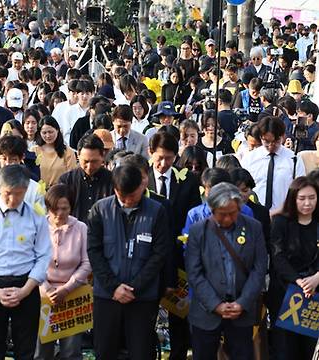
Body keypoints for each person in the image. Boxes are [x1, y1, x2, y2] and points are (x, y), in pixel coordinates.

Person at [87, 164, 170, 360]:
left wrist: (134, 288)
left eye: (132, 196)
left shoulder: (157, 211)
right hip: (107, 296)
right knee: (105, 350)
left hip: (142, 297)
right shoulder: (100, 209)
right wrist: (114, 287)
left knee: (141, 352)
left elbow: (159, 254)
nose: (127, 201)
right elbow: (94, 251)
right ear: (115, 189)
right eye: (122, 196)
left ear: (142, 186)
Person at [0, 164, 51, 360]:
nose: (13, 200)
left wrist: (25, 290)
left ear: (26, 191)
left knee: (26, 348)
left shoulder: (37, 216)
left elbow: (44, 256)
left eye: (19, 194)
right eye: (8, 194)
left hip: (27, 285)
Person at [185, 183, 267, 360]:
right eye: (223, 214)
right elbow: (194, 273)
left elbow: (259, 269)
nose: (229, 218)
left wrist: (243, 302)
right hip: (205, 313)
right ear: (212, 209)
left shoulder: (254, 228)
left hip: (241, 312)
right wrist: (216, 305)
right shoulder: (198, 231)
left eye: (233, 212)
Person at [147, 131, 202, 359]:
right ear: (150, 153)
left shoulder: (187, 179)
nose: (163, 164)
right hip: (148, 256)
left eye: (169, 159)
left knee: (178, 314)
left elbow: (194, 218)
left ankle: (178, 354)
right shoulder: (141, 177)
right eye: (159, 158)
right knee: (146, 314)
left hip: (178, 256)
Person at [34, 184, 91, 360]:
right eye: (54, 209)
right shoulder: (38, 226)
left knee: (71, 351)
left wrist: (68, 287)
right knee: (41, 351)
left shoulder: (81, 228)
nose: (59, 213)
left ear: (71, 207)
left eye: (64, 208)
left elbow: (87, 263)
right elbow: (30, 260)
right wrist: (46, 288)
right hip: (42, 292)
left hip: (73, 293)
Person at [269, 177, 319, 359]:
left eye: (312, 197)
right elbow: (278, 256)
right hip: (286, 292)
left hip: (315, 292)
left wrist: (316, 279)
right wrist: (299, 281)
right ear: (293, 198)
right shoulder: (281, 222)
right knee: (285, 348)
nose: (308, 203)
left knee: (310, 347)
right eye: (302, 198)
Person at [241, 116, 305, 212]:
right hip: (255, 213)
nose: (271, 146)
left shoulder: (293, 159)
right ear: (260, 137)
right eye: (266, 141)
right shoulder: (250, 159)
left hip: (284, 214)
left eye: (275, 141)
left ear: (282, 137)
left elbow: (300, 189)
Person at [58, 134, 113, 224]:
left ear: (102, 156)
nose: (89, 166)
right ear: (78, 156)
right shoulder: (67, 180)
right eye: (86, 161)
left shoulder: (112, 180)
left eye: (94, 161)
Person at [32, 116, 77, 188]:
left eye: (50, 132)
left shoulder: (68, 152)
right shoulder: (34, 151)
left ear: (57, 130)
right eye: (44, 133)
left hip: (60, 192)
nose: (48, 136)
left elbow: (72, 177)